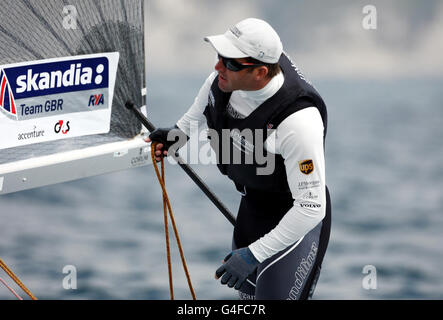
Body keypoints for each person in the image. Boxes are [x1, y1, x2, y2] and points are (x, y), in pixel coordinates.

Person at [146, 18, 331, 300]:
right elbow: (198, 113)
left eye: (230, 62)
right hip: (253, 208)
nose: (218, 67)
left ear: (260, 72)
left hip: (297, 223)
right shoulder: (222, 81)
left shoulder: (299, 122)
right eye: (220, 56)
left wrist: (253, 254)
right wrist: (176, 135)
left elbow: (311, 208)